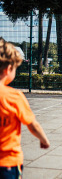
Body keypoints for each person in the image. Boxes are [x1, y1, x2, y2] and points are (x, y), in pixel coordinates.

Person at [0, 38, 50, 179]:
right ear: (9, 68)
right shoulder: (14, 97)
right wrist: (43, 139)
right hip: (7, 162)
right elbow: (32, 125)